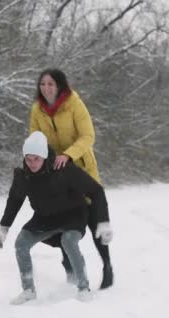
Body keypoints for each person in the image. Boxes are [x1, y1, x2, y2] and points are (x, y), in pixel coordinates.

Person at [0, 131, 113, 305]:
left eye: (36, 159)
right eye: (28, 159)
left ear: (44, 156)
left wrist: (103, 221)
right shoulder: (23, 176)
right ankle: (28, 290)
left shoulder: (63, 169)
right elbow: (15, 200)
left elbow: (96, 191)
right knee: (21, 243)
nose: (32, 163)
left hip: (72, 215)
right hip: (44, 218)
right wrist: (4, 226)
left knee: (68, 241)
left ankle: (83, 288)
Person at [28, 68, 114, 289]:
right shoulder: (37, 109)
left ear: (60, 86)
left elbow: (88, 136)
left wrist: (69, 155)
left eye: (51, 84)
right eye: (42, 84)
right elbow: (35, 139)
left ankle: (107, 265)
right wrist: (42, 161)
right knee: (63, 222)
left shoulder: (74, 104)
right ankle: (70, 269)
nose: (46, 88)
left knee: (94, 221)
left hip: (82, 169)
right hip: (56, 174)